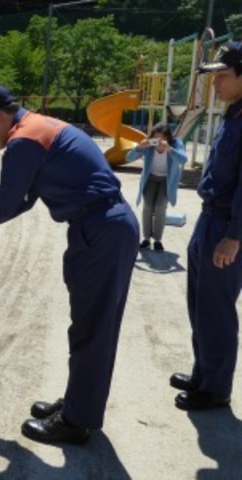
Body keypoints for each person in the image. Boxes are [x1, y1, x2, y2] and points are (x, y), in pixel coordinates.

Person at [0, 85, 139, 445]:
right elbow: (23, 200)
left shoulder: (24, 140)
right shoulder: (37, 126)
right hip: (103, 226)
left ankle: (77, 421)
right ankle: (80, 402)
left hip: (100, 230)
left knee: (92, 328)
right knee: (90, 325)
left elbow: (4, 204)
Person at [170, 41, 242, 411]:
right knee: (199, 303)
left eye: (224, 77)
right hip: (209, 217)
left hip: (228, 226)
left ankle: (216, 388)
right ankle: (204, 372)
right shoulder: (233, 114)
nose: (216, 85)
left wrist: (234, 237)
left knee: (216, 309)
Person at [126, 123, 187, 251]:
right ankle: (146, 238)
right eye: (155, 138)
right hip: (151, 178)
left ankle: (158, 240)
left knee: (160, 207)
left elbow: (183, 160)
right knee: (147, 206)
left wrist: (169, 149)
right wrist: (139, 148)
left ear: (168, 138)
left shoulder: (176, 144)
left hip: (167, 180)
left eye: (162, 139)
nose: (158, 142)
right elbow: (128, 158)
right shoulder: (148, 146)